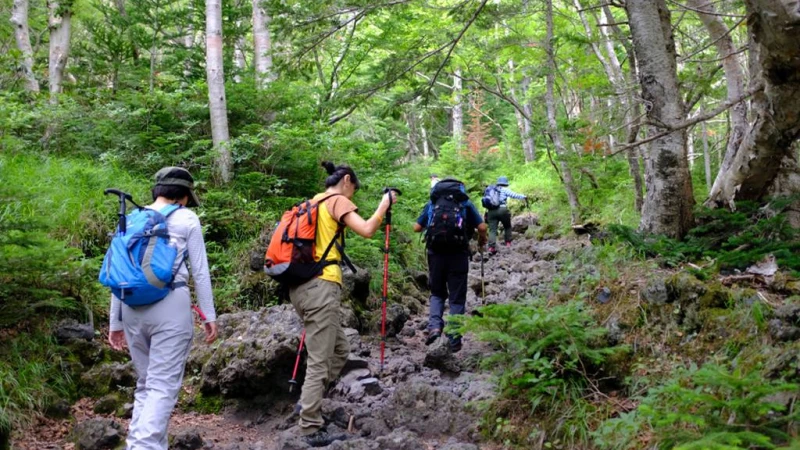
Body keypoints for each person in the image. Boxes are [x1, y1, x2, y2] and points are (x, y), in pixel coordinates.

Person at [107, 167, 218, 450]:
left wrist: (115, 323)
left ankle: (137, 444)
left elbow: (120, 271)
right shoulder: (187, 218)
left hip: (131, 308)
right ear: (183, 197)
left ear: (157, 191)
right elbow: (201, 272)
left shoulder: (130, 219)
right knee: (162, 387)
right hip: (171, 305)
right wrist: (208, 314)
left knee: (146, 384)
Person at [289, 161, 397, 446]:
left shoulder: (311, 203)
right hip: (321, 287)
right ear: (346, 181)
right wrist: (383, 205)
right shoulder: (336, 200)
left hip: (300, 288)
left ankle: (307, 403)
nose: (351, 199)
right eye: (353, 191)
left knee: (340, 348)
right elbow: (366, 229)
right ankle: (310, 426)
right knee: (319, 359)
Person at [413, 178, 487, 352]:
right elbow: (482, 226)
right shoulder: (465, 204)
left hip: (435, 255)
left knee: (437, 293)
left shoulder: (432, 204)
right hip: (458, 254)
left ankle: (434, 328)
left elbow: (417, 227)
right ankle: (454, 339)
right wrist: (482, 239)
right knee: (457, 297)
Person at [487, 176, 527, 255]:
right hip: (502, 210)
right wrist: (524, 196)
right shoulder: (505, 190)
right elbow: (514, 195)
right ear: (505, 183)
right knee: (507, 226)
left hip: (491, 211)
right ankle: (508, 244)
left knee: (492, 230)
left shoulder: (492, 190)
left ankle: (491, 248)